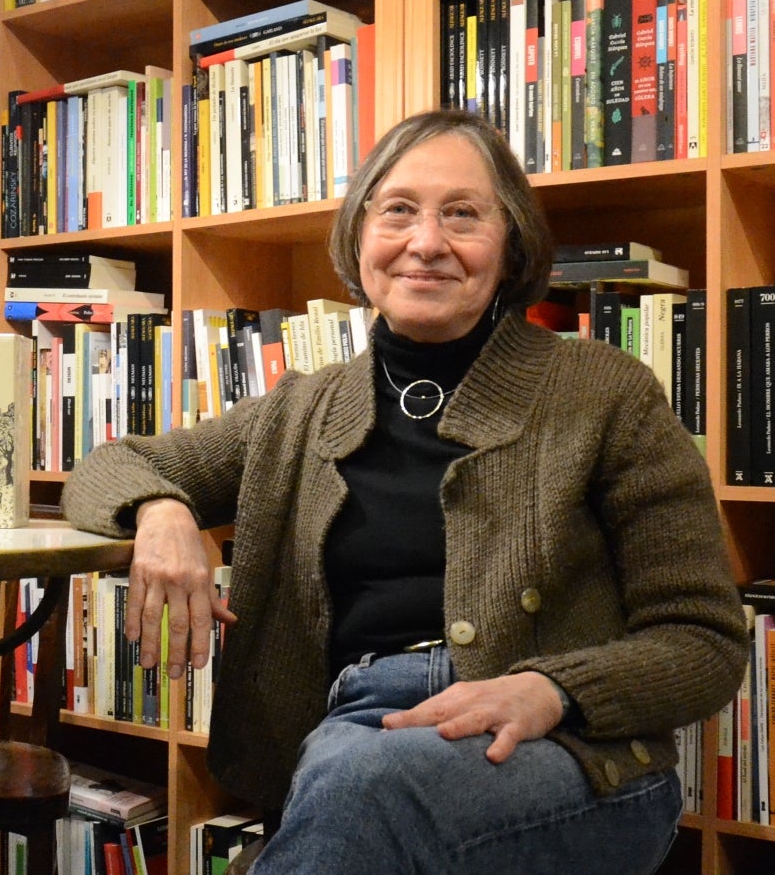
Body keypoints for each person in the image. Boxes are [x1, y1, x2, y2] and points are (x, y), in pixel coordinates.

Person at [60, 109, 749, 874]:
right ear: (359, 237)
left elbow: (705, 640)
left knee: (360, 790)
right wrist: (162, 512)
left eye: (463, 214)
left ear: (511, 243)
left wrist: (550, 689)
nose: (426, 243)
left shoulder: (608, 396)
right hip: (347, 742)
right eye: (398, 212)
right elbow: (108, 466)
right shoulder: (301, 408)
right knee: (353, 784)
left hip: (568, 755)